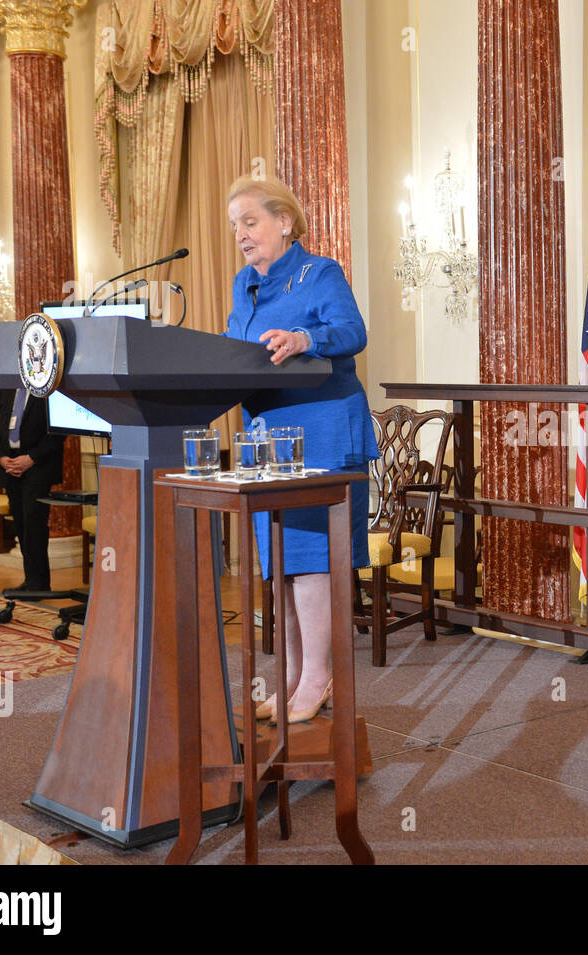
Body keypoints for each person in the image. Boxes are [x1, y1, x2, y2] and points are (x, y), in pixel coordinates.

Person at [224, 174, 379, 724]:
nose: (241, 233)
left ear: (284, 223)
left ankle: (320, 677)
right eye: (235, 225)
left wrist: (303, 340)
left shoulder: (320, 273)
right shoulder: (245, 285)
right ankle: (292, 680)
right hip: (269, 443)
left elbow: (352, 331)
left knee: (312, 564)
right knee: (281, 566)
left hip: (323, 435)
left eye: (250, 221)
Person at [0, 385, 66, 591]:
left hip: (38, 464)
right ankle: (31, 580)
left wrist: (31, 459)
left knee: (34, 524)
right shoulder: (4, 384)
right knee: (20, 524)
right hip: (9, 465)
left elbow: (58, 430)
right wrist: (1, 458)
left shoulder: (47, 383)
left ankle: (39, 583)